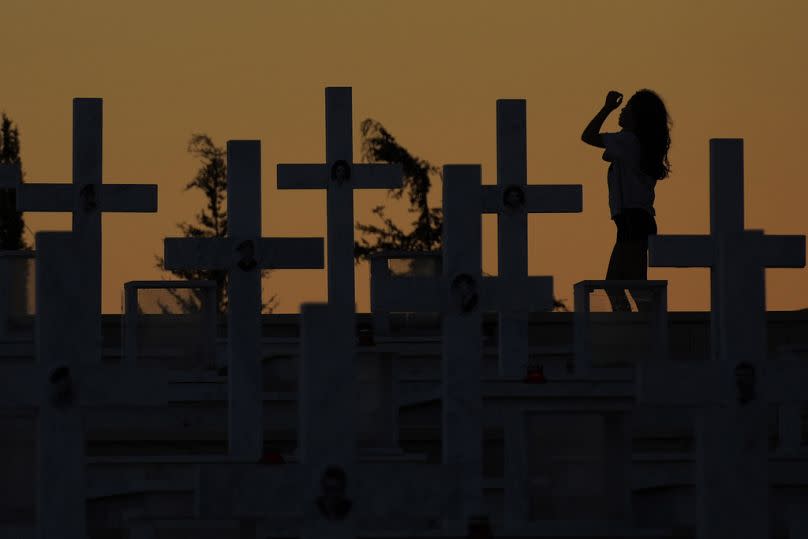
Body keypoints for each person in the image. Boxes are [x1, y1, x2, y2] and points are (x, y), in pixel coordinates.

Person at [581, 89, 671, 311]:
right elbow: (606, 152)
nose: (622, 110)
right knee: (623, 285)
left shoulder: (628, 141)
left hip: (633, 221)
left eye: (628, 107)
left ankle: (644, 329)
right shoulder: (632, 143)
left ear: (638, 116)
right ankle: (637, 326)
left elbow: (589, 136)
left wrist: (607, 108)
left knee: (632, 287)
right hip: (633, 222)